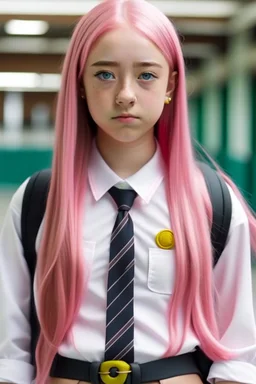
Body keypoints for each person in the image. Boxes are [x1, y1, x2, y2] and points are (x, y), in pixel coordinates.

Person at [0, 0, 255, 383]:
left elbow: (238, 354)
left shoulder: (213, 203)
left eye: (146, 75)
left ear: (171, 83)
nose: (125, 94)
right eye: (104, 75)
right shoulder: (38, 200)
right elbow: (11, 350)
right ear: (80, 84)